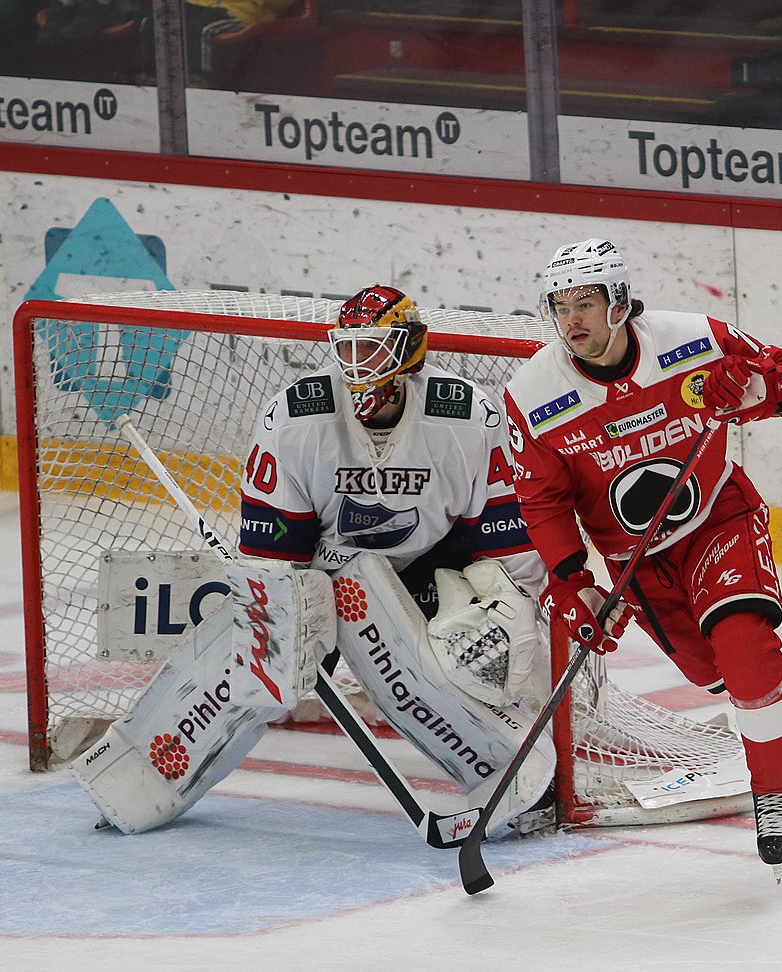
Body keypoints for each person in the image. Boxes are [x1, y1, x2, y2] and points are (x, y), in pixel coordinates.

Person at [502, 238, 782, 878]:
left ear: (620, 301)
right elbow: (542, 501)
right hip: (637, 565)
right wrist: (574, 581)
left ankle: (773, 796)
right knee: (748, 687)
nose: (573, 322)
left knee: (746, 648)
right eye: (561, 307)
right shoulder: (533, 394)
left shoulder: (694, 338)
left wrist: (759, 387)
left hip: (716, 521)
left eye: (587, 304)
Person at [72, 285, 554, 838]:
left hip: (431, 572)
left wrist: (514, 609)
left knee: (481, 658)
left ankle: (522, 769)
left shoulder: (467, 415)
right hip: (323, 574)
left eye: (372, 349)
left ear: (410, 351)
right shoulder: (298, 416)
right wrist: (284, 629)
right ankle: (134, 777)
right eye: (346, 348)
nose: (355, 365)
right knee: (263, 661)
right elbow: (271, 559)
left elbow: (502, 537)